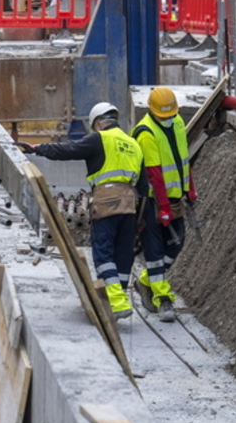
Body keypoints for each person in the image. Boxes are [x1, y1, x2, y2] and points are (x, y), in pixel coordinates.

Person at [18, 102, 145, 320]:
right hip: (130, 205)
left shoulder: (100, 139)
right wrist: (141, 217)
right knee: (123, 252)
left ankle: (115, 302)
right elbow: (143, 184)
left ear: (97, 123)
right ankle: (121, 298)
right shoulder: (133, 144)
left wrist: (38, 148)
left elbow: (68, 149)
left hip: (106, 201)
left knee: (103, 251)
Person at [131, 87, 197, 323]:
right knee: (155, 251)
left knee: (176, 244)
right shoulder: (146, 133)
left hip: (174, 196)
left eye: (170, 115)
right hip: (152, 201)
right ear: (152, 111)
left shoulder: (177, 122)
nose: (168, 119)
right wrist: (164, 207)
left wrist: (189, 187)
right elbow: (155, 174)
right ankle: (163, 299)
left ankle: (145, 281)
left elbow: (182, 158)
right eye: (163, 116)